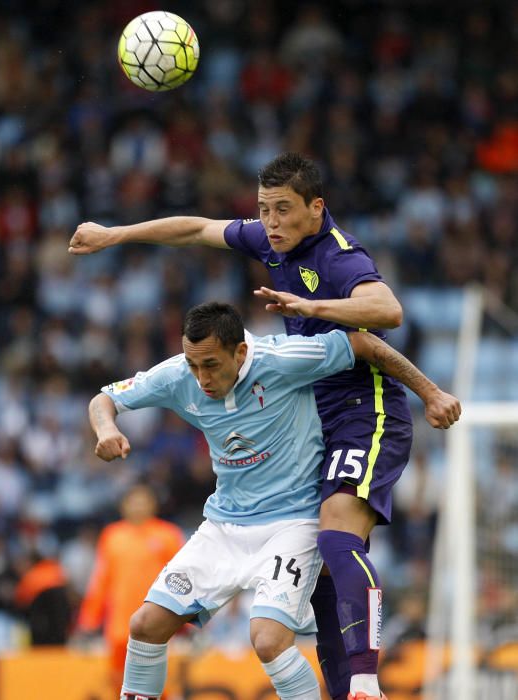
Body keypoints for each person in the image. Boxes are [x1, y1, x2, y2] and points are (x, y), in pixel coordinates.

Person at [69, 152, 460, 700]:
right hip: (314, 404)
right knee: (322, 573)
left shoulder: (338, 258)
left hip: (362, 405)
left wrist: (316, 307)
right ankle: (342, 685)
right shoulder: (267, 239)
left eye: (282, 210)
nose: (270, 222)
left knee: (335, 535)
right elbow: (197, 228)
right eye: (262, 210)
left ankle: (368, 683)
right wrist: (116, 234)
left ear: (316, 208)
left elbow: (386, 313)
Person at [88, 301, 460, 700]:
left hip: (293, 524)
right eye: (194, 365)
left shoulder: (282, 358)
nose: (201, 378)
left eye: (211, 365)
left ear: (241, 352)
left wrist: (431, 394)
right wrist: (106, 428)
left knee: (266, 639)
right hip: (223, 526)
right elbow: (103, 399)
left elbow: (365, 345)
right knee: (145, 625)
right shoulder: (178, 374)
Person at [76, 483, 184, 692]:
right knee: (120, 685)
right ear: (123, 506)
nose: (138, 506)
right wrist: (88, 621)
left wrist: (187, 623)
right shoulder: (112, 536)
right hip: (119, 627)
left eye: (143, 501)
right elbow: (101, 582)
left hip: (158, 625)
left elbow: (182, 581)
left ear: (153, 505)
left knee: (159, 686)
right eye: (133, 502)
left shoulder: (168, 535)